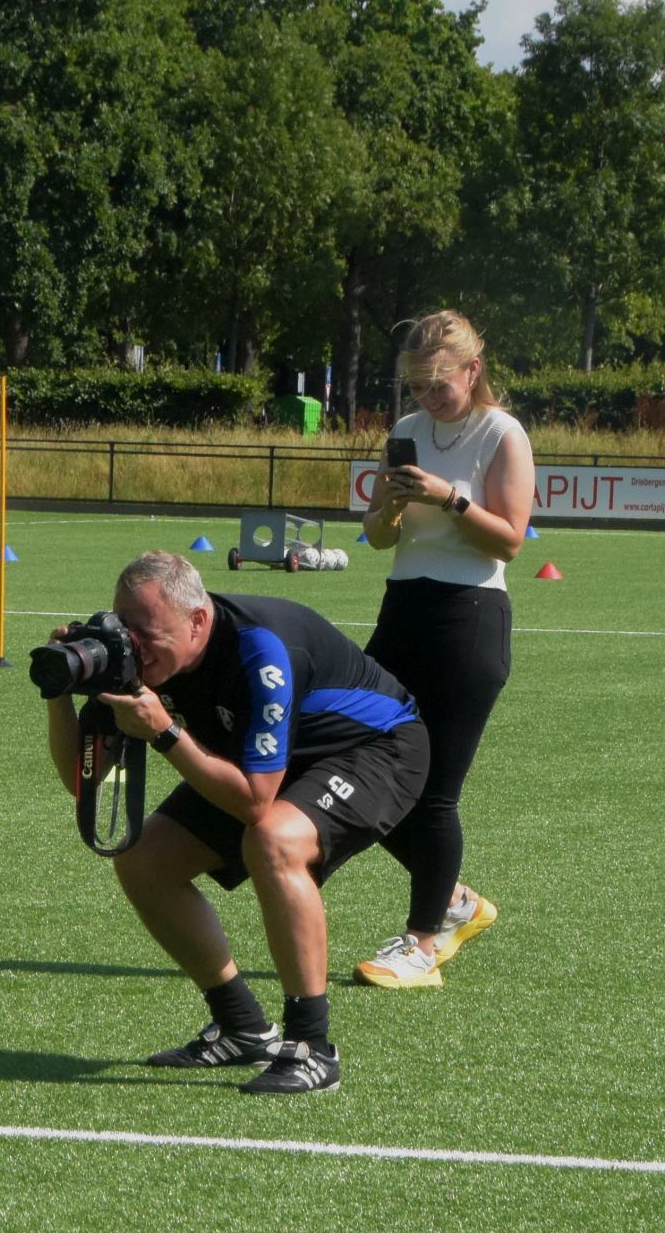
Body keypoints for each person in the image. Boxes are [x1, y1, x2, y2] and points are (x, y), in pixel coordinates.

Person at [44, 552, 430, 1094]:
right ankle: (242, 1025)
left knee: (272, 839)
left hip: (373, 747)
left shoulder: (262, 650)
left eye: (147, 633)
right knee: (142, 858)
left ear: (197, 620)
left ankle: (311, 1047)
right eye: (125, 628)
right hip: (268, 758)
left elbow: (254, 803)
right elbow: (81, 780)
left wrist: (164, 732)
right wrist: (59, 697)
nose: (134, 645)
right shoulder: (132, 655)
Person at [355, 311, 532, 987]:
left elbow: (510, 539)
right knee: (355, 762)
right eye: (418, 386)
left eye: (440, 385)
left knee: (431, 795)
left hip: (471, 618)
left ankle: (422, 943)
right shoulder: (403, 433)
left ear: (472, 371)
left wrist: (449, 496)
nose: (429, 399)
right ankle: (456, 900)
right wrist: (392, 509)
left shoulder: (502, 433)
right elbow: (376, 538)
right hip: (402, 610)